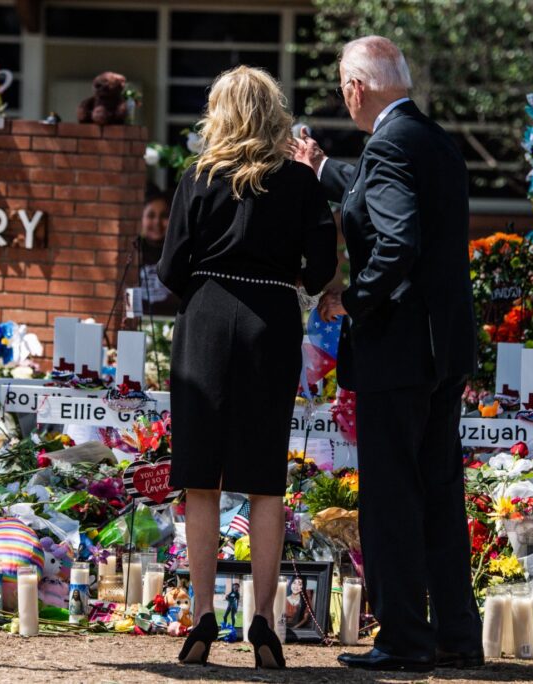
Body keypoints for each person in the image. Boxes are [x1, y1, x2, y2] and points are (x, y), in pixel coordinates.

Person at [293, 36, 481, 672]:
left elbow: (395, 239)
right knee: (437, 493)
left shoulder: (390, 144)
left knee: (392, 498)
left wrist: (354, 300)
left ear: (355, 89)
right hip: (440, 349)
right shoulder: (434, 139)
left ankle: (404, 637)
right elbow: (378, 195)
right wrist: (323, 169)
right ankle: (457, 633)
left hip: (398, 349)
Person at [159, 65, 337, 669]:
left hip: (207, 315)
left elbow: (169, 269)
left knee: (201, 475)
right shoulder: (300, 183)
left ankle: (203, 615)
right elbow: (318, 272)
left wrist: (208, 283)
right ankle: (264, 621)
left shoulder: (199, 177)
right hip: (270, 320)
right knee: (264, 478)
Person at [137, 188, 178, 316]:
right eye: (151, 216)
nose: (157, 222)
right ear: (141, 219)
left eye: (164, 216)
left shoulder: (179, 253)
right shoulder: (132, 253)